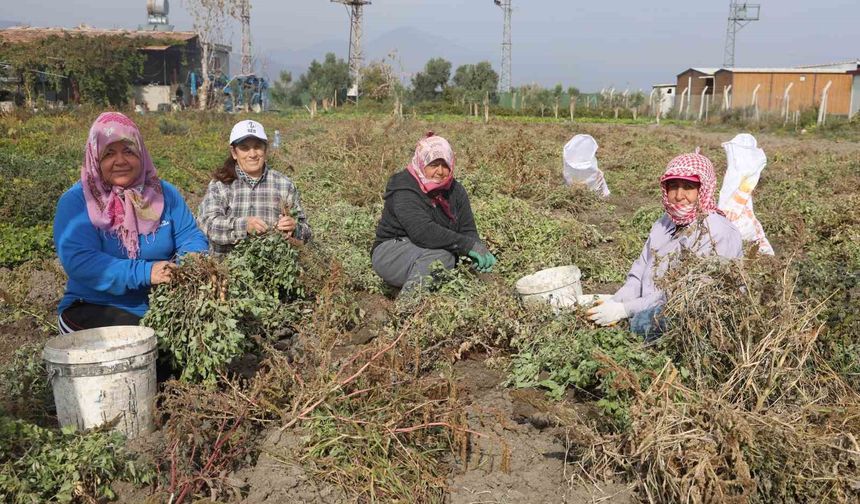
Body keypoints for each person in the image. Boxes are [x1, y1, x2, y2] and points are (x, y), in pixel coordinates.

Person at [54, 112, 209, 334]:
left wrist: (193, 262)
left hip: (160, 305)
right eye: (109, 153)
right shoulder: (78, 201)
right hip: (96, 306)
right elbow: (81, 261)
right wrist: (147, 272)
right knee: (148, 346)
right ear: (95, 157)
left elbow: (190, 236)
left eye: (128, 150)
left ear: (141, 153)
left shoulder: (164, 193)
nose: (120, 161)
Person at [583, 149, 743, 339]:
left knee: (643, 323)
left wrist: (625, 309)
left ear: (703, 190)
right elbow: (640, 268)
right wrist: (620, 299)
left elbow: (685, 293)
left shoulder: (717, 231)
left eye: (688, 187)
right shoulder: (665, 222)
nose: (678, 195)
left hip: (696, 311)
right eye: (673, 186)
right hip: (654, 300)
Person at [372, 132, 496, 294]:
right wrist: (466, 245)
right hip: (391, 252)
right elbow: (422, 231)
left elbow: (467, 230)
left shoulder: (455, 190)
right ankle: (407, 308)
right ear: (422, 163)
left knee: (450, 260)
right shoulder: (404, 186)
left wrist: (478, 249)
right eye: (433, 164)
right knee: (442, 258)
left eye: (445, 165)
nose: (440, 171)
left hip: (429, 249)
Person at [197, 119, 312, 254]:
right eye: (244, 148)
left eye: (257, 146)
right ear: (234, 152)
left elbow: (307, 232)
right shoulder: (221, 185)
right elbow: (207, 224)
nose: (252, 154)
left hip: (274, 268)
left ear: (265, 149)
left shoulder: (284, 185)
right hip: (227, 268)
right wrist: (243, 226)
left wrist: (294, 228)